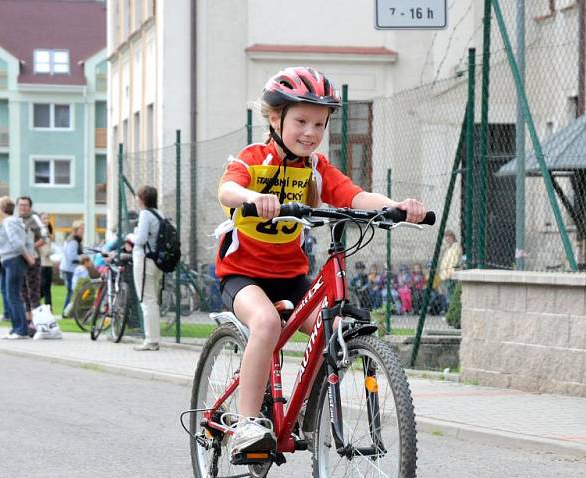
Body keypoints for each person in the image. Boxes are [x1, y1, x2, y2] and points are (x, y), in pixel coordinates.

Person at [214, 66, 425, 455]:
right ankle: (245, 424)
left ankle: (306, 411)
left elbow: (354, 196)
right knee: (266, 322)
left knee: (339, 327)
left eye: (319, 124)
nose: (310, 132)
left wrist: (395, 206)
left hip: (291, 277)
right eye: (300, 121)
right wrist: (250, 198)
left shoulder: (315, 169)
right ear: (275, 118)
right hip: (243, 275)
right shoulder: (254, 157)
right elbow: (228, 188)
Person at [125, 185, 163, 351]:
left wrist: (129, 236)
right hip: (156, 262)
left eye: (137, 196)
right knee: (152, 300)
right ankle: (154, 338)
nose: (136, 199)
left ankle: (151, 340)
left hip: (144, 260)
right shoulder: (158, 214)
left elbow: (140, 239)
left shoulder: (145, 214)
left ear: (142, 199)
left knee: (147, 300)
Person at [0, 195, 36, 339]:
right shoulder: (17, 222)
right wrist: (29, 256)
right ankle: (15, 328)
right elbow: (29, 241)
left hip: (14, 260)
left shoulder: (8, 223)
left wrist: (28, 257)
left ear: (1, 209)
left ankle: (21, 330)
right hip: (11, 261)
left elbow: (18, 243)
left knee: (13, 295)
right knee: (10, 295)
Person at [17, 196, 47, 330]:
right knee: (23, 291)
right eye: (21, 205)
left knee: (33, 291)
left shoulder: (34, 219)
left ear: (30, 207)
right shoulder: (16, 219)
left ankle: (37, 322)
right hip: (20, 259)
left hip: (33, 259)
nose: (22, 207)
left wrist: (29, 247)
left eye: (25, 205)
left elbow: (44, 239)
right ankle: (28, 322)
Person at [60, 220, 84, 315]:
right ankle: (66, 312)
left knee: (72, 291)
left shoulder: (75, 239)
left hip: (69, 269)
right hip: (69, 269)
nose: (83, 230)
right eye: (81, 228)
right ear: (76, 229)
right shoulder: (73, 241)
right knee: (71, 291)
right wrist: (82, 258)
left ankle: (68, 312)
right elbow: (72, 257)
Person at [437, 230, 462, 303]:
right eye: (446, 238)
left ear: (452, 237)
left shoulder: (456, 247)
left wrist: (450, 272)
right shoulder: (448, 248)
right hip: (445, 274)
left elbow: (454, 262)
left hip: (451, 274)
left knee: (451, 294)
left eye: (448, 237)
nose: (447, 239)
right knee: (448, 294)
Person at [38, 212, 55, 308]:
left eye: (47, 218)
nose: (46, 220)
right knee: (45, 290)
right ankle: (48, 309)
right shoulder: (41, 233)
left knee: (45, 290)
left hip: (48, 264)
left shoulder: (47, 233)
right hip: (43, 264)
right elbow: (45, 252)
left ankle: (33, 305)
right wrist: (53, 250)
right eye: (44, 219)